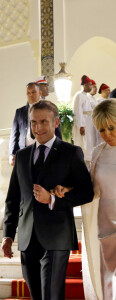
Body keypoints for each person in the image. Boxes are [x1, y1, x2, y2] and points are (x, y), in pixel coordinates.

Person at [2, 100, 94, 300]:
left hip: (57, 237)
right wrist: (8, 235)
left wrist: (52, 199)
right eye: (33, 122)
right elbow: (13, 198)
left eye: (44, 121)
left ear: (56, 122)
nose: (38, 128)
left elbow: (86, 192)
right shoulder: (22, 156)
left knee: (52, 296)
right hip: (27, 238)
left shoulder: (71, 152)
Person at [80, 99, 116, 300]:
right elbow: (91, 190)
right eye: (102, 130)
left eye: (111, 127)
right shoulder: (97, 153)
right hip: (105, 225)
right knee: (108, 283)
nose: (107, 134)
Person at [9, 82, 62, 166]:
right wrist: (11, 154)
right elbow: (14, 134)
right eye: (28, 93)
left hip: (45, 149)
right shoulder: (19, 112)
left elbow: (57, 131)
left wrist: (59, 149)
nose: (31, 95)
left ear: (40, 93)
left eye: (33, 92)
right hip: (24, 150)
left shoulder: (49, 109)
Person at [72, 75, 97, 166]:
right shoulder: (79, 95)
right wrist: (81, 126)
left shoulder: (85, 96)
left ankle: (89, 164)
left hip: (89, 123)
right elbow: (77, 111)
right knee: (84, 144)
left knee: (90, 144)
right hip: (84, 125)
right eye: (90, 85)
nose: (91, 86)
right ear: (85, 85)